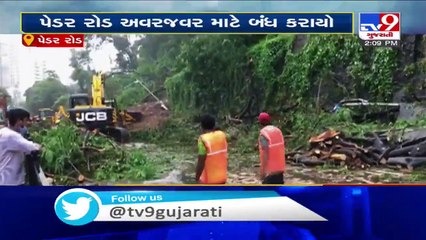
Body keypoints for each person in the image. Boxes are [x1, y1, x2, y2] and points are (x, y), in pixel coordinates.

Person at [0, 108, 41, 185]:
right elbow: (32, 147)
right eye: (26, 120)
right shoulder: (12, 136)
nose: (26, 124)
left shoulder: (3, 132)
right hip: (11, 181)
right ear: (19, 120)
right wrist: (39, 146)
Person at [196, 115, 228, 184]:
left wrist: (197, 178)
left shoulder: (203, 139)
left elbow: (201, 162)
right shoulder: (222, 135)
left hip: (209, 181)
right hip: (222, 178)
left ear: (201, 127)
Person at [258, 112, 285, 184]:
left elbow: (265, 154)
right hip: (280, 172)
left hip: (270, 174)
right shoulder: (277, 131)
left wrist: (263, 172)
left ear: (260, 122)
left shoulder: (264, 134)